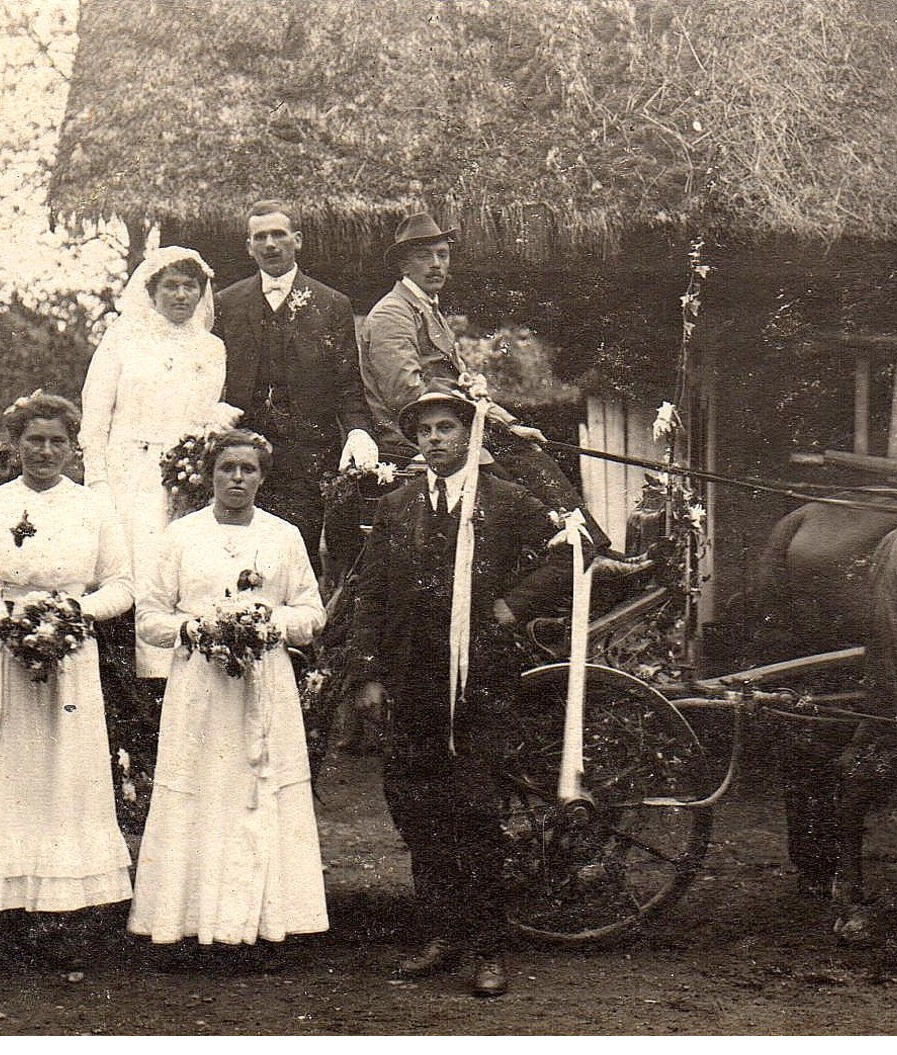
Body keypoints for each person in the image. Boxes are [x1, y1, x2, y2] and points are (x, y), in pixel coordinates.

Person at [350, 386, 569, 998]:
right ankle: (441, 936)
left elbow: (570, 549)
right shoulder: (398, 507)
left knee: (474, 809)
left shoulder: (503, 500)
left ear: (468, 436)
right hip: (412, 677)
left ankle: (487, 947)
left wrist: (510, 605)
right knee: (418, 810)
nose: (436, 440)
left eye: (447, 428)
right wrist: (368, 674)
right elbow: (369, 594)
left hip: (482, 680)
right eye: (425, 432)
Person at [0, 393, 134, 956]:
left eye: (57, 441)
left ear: (72, 447)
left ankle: (60, 911)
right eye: (34, 440)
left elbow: (122, 585)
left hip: (69, 659)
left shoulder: (93, 507)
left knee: (62, 777)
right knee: (0, 775)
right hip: (0, 658)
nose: (45, 451)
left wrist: (72, 614)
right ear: (15, 444)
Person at [128, 430, 328, 958]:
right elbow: (149, 618)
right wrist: (197, 629)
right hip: (201, 684)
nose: (236, 478)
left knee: (260, 791)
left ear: (262, 476)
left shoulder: (285, 536)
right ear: (209, 474)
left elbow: (312, 613)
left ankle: (268, 926)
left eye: (247, 469)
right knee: (203, 787)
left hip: (265, 686)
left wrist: (266, 623)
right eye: (226, 469)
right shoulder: (180, 536)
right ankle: (188, 926)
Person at [359, 213, 611, 548]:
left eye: (442, 255)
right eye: (424, 256)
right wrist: (487, 423)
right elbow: (406, 394)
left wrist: (510, 424)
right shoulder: (393, 314)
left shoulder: (429, 311)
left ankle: (588, 550)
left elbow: (463, 386)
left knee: (525, 449)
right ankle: (582, 553)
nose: (436, 264)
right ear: (404, 265)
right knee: (517, 472)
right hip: (415, 438)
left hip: (450, 428)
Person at [80, 245, 231, 678]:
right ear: (152, 290)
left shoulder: (211, 347)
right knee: (123, 570)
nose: (181, 295)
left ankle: (164, 679)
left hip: (182, 477)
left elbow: (205, 414)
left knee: (174, 572)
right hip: (126, 472)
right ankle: (118, 680)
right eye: (171, 286)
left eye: (191, 287)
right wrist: (98, 481)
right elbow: (96, 413)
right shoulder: (123, 339)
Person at [213, 200, 378, 576]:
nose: (270, 244)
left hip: (306, 461)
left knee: (295, 560)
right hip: (244, 460)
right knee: (237, 556)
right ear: (248, 246)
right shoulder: (227, 303)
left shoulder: (331, 304)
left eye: (279, 234)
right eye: (260, 237)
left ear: (297, 240)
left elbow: (348, 384)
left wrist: (358, 431)